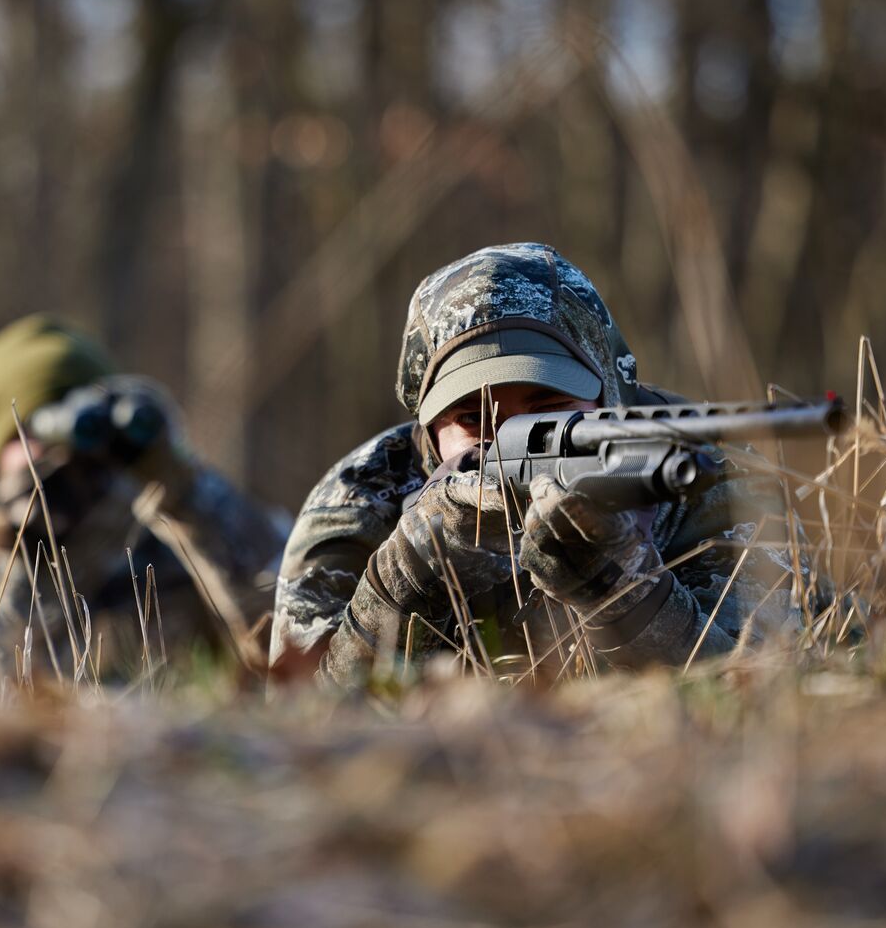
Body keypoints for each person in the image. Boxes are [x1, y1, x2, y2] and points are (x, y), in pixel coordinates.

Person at [270, 242, 815, 690]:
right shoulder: (361, 499)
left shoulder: (709, 472)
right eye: (472, 417)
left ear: (609, 393)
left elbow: (764, 691)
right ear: (429, 432)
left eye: (549, 405)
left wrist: (626, 593)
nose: (507, 434)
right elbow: (300, 723)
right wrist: (405, 579)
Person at [0, 313, 287, 682]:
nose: (66, 456)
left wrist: (186, 492)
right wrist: (51, 561)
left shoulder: (180, 565)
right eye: (39, 431)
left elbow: (293, 643)